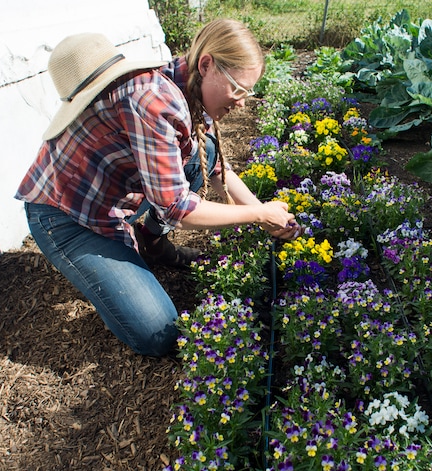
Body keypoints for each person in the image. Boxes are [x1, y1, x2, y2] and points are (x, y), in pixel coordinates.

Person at [15, 19, 299, 357]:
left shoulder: (186, 82)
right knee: (158, 334)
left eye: (248, 92)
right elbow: (176, 208)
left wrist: (267, 211)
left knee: (201, 151)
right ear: (207, 64)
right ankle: (103, 269)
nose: (242, 102)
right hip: (68, 217)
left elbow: (214, 167)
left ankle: (150, 242)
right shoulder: (152, 100)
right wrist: (255, 215)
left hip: (115, 195)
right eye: (238, 89)